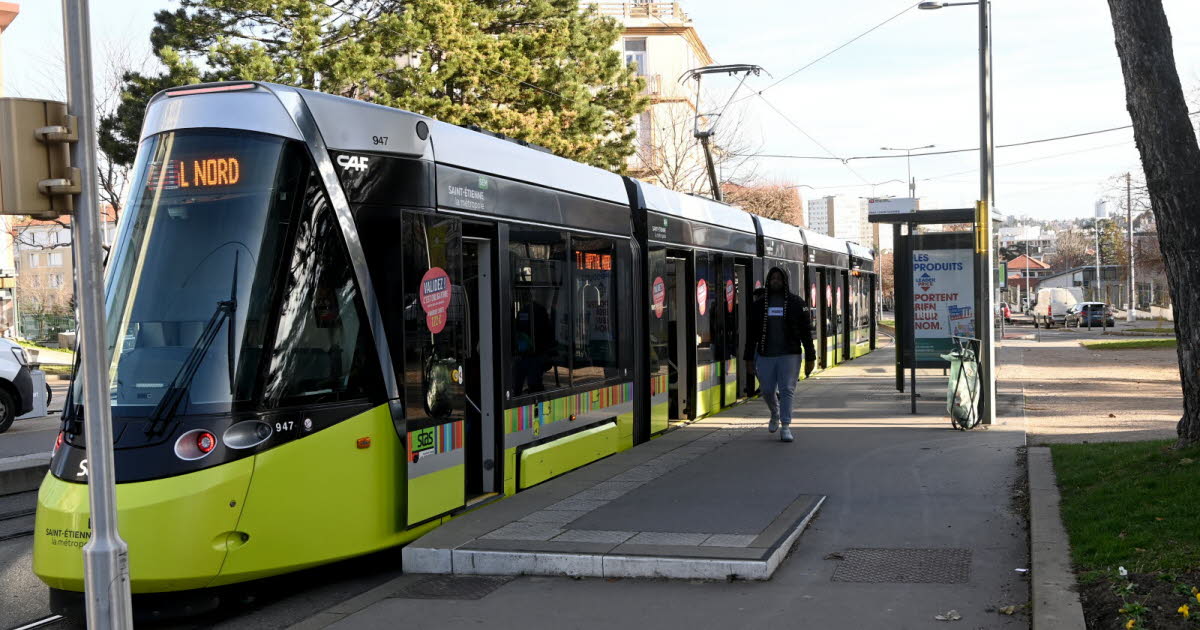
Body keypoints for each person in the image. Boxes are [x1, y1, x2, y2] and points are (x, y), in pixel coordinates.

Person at [744, 267, 816, 442]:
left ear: (785, 281)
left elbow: (806, 332)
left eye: (779, 278)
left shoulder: (797, 303)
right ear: (769, 281)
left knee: (787, 390)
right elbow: (751, 333)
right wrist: (748, 358)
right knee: (767, 390)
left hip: (789, 355)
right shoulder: (759, 305)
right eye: (773, 278)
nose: (776, 281)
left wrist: (811, 356)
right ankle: (774, 412)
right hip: (765, 354)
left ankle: (785, 425)